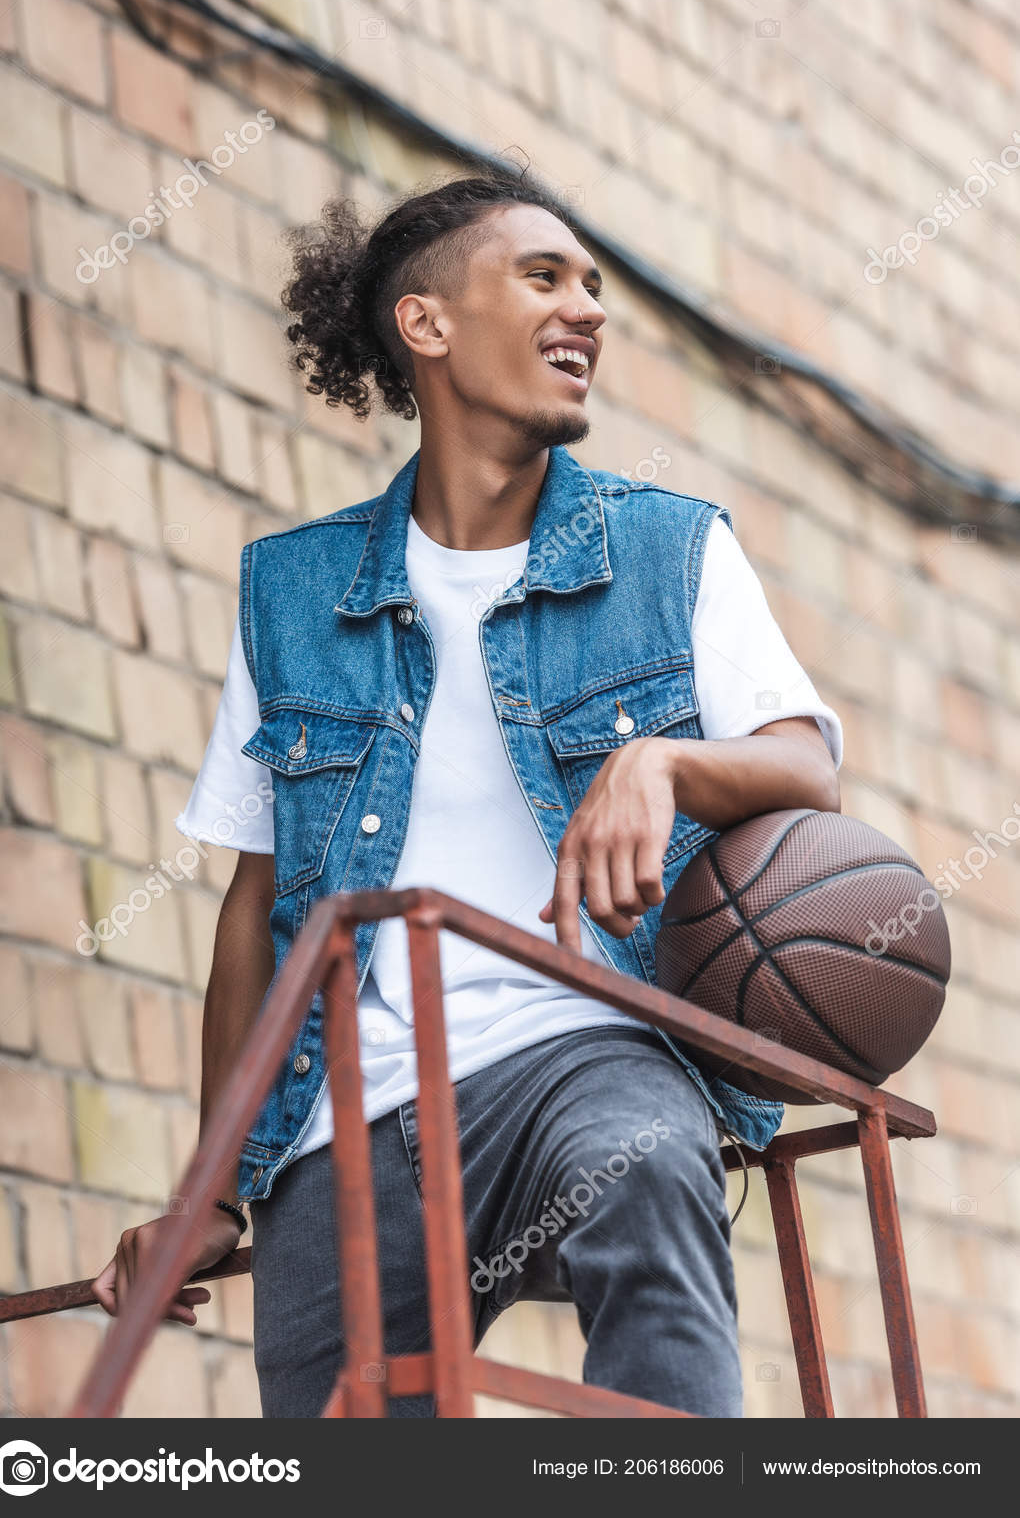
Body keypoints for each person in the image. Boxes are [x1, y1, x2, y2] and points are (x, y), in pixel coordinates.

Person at [91, 171, 842, 1417]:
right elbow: (253, 903)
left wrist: (658, 760)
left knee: (648, 1164)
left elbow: (806, 759)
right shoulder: (293, 590)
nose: (588, 308)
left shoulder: (670, 548)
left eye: (595, 286)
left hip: (584, 1049)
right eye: (543, 276)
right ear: (426, 324)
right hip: (344, 1113)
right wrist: (213, 1188)